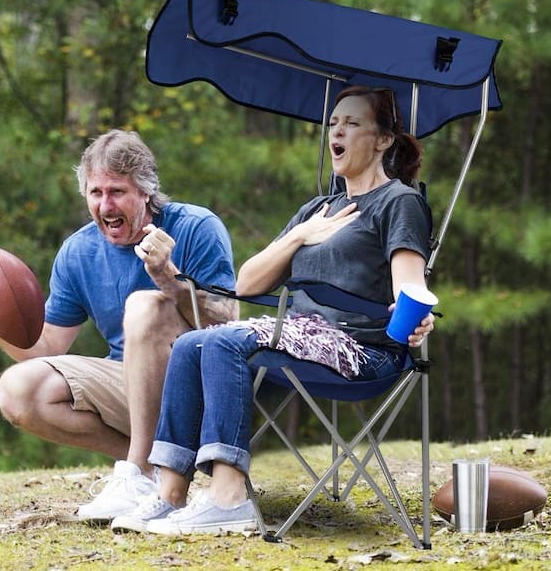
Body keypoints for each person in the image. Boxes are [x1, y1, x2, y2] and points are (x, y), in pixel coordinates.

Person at [109, 85, 436, 536]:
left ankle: (228, 499)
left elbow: (410, 284)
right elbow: (247, 284)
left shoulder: (399, 202)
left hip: (361, 348)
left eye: (352, 123)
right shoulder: (318, 208)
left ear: (383, 140)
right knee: (189, 343)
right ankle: (169, 495)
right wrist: (300, 235)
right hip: (296, 333)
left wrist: (416, 315)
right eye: (333, 122)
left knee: (224, 340)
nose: (336, 131)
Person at [0, 129, 238, 522]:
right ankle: (146, 469)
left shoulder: (197, 228)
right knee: (18, 389)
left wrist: (169, 279)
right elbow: (46, 348)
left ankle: (141, 469)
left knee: (144, 306)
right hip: (129, 385)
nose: (105, 204)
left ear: (145, 192)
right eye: (96, 193)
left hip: (198, 389)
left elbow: (227, 323)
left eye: (117, 192)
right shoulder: (78, 252)